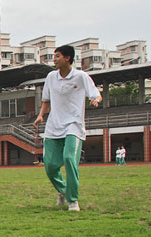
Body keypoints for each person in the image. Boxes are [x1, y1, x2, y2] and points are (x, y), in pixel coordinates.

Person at [33, 45, 102, 212]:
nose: (54, 60)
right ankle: (62, 190)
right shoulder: (50, 77)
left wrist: (96, 100)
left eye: (57, 56)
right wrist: (41, 115)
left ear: (67, 58)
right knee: (49, 165)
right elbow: (46, 100)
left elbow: (96, 93)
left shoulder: (80, 76)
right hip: (53, 126)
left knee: (69, 159)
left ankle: (73, 201)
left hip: (73, 126)